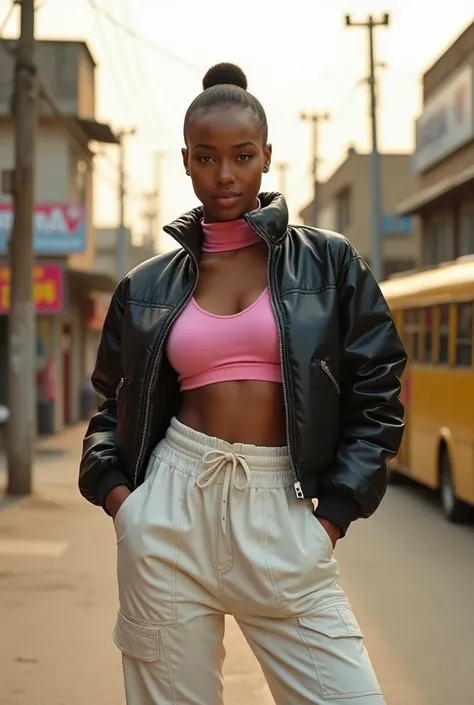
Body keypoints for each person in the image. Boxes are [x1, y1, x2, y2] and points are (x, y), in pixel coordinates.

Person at [79, 62, 407, 705]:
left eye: (242, 155)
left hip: (281, 511)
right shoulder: (146, 285)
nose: (224, 174)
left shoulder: (331, 262)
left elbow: (379, 392)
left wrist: (332, 519)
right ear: (185, 160)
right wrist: (126, 505)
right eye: (206, 157)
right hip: (170, 506)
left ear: (266, 157)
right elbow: (109, 406)